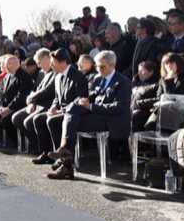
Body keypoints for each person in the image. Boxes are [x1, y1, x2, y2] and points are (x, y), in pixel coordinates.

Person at [47, 50, 132, 180]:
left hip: (112, 119)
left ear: (112, 65)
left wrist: (90, 106)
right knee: (58, 119)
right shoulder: (98, 79)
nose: (99, 69)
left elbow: (119, 108)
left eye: (102, 67)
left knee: (70, 117)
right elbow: (89, 96)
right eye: (97, 66)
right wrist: (83, 101)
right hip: (96, 114)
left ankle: (65, 159)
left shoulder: (123, 81)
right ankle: (66, 157)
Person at [30, 48, 88, 166]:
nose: (51, 65)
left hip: (73, 113)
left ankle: (62, 158)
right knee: (38, 119)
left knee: (52, 121)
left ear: (63, 62)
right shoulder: (58, 76)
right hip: (60, 111)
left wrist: (61, 110)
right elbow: (57, 98)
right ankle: (46, 153)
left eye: (53, 62)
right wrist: (53, 107)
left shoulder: (78, 76)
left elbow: (81, 98)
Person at [12, 48, 55, 155]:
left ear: (46, 59)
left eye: (39, 62)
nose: (38, 65)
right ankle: (34, 144)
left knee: (29, 121)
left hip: (47, 104)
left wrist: (31, 100)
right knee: (16, 118)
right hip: (36, 103)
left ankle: (42, 149)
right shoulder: (41, 73)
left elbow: (47, 91)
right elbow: (35, 90)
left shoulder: (54, 72)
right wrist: (32, 102)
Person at [0, 55, 34, 147]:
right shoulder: (8, 76)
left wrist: (9, 109)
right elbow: (4, 95)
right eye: (5, 63)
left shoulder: (24, 77)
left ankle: (15, 141)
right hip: (8, 106)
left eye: (8, 63)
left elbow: (21, 97)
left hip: (19, 106)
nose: (6, 65)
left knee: (6, 119)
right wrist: (2, 107)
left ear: (15, 64)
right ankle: (9, 139)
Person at [130, 60, 160, 132]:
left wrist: (139, 104)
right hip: (131, 108)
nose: (139, 73)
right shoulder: (135, 82)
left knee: (135, 116)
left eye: (142, 71)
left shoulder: (156, 84)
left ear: (151, 72)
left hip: (144, 111)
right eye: (138, 71)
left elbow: (157, 99)